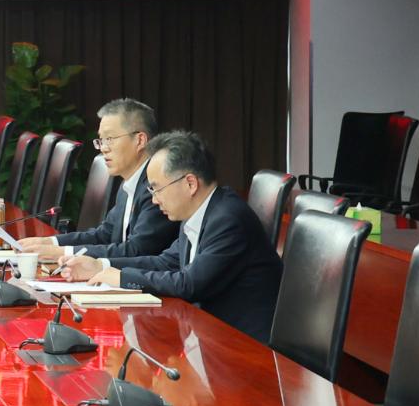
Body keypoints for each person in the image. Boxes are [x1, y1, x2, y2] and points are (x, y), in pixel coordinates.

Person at [87, 131, 282, 342]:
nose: (154, 200)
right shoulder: (199, 211)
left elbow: (189, 284)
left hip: (244, 345)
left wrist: (122, 278)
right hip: (208, 335)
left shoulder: (228, 219)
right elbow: (166, 262)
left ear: (190, 183)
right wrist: (101, 266)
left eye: (157, 189)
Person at [22, 97, 179, 262]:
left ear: (139, 140)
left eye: (109, 139)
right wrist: (50, 242)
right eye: (101, 140)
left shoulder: (157, 188)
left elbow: (137, 251)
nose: (103, 148)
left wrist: (61, 252)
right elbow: (104, 234)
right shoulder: (129, 182)